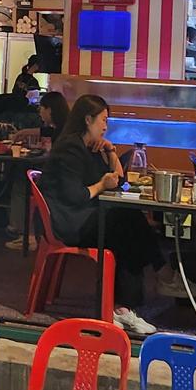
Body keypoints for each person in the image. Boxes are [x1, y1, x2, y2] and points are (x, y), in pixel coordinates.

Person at [36, 94, 160, 337]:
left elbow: (120, 181)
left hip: (84, 215)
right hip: (68, 222)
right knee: (126, 224)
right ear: (87, 119)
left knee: (127, 221)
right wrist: (101, 185)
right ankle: (138, 295)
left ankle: (123, 306)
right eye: (103, 120)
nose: (106, 126)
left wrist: (111, 151)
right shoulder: (70, 147)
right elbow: (75, 196)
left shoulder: (90, 147)